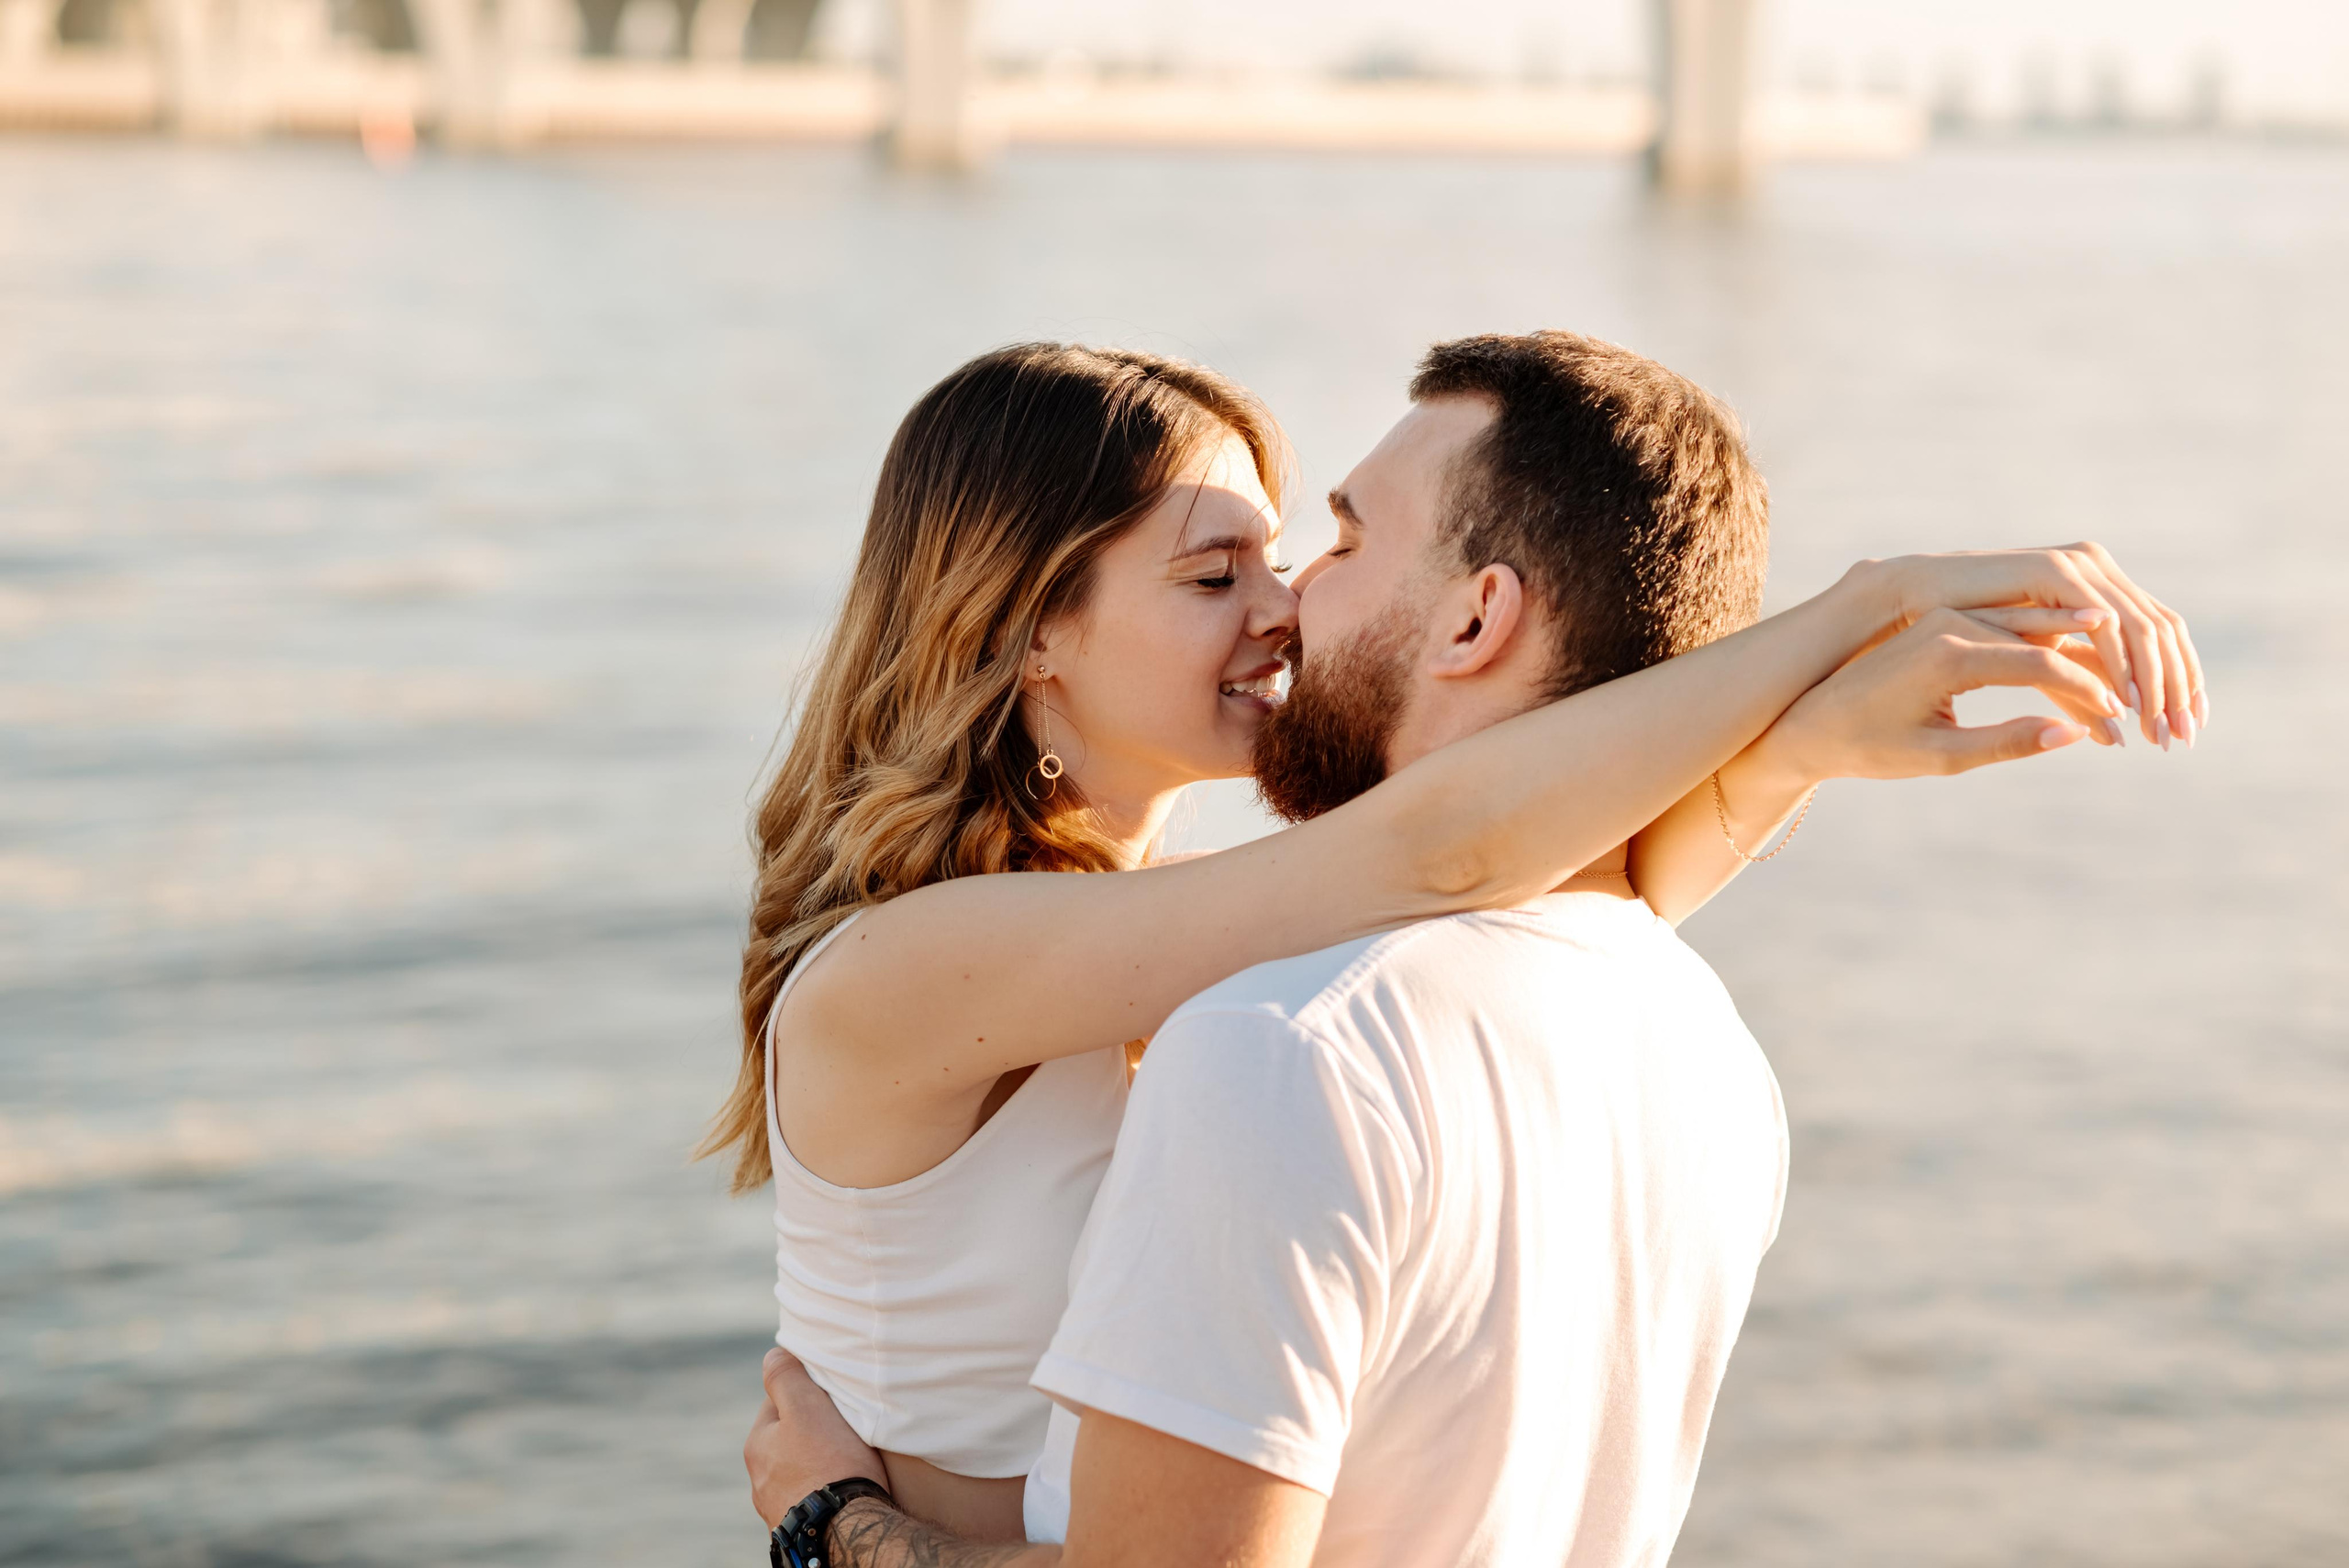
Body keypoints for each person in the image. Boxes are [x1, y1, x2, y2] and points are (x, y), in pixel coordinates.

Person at [739, 332, 2203, 1567]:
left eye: (1292, 555)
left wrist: (1796, 749)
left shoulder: (1165, 947)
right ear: (1031, 627)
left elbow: (1559, 893)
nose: (1285, 606)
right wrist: (1849, 617)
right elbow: (1437, 856)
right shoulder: (906, 970)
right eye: (1213, 576)